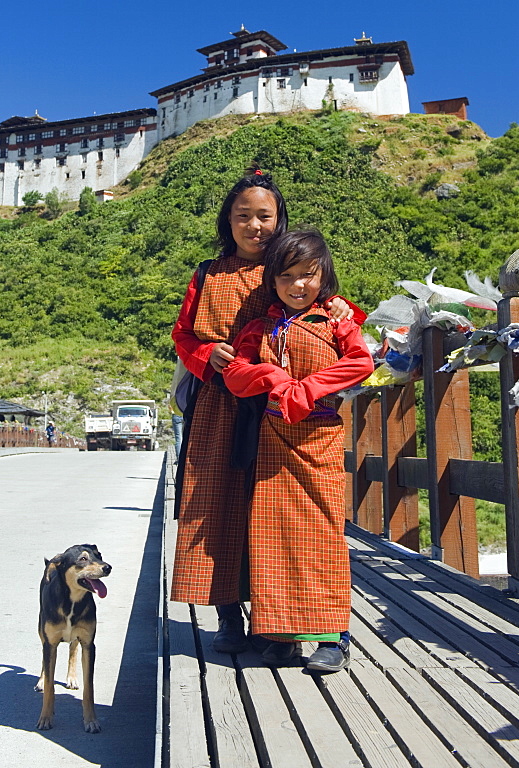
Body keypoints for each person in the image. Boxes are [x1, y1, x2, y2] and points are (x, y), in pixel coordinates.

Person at [170, 170, 365, 654]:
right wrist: (204, 357)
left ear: (279, 222)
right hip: (220, 404)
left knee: (281, 514)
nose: (253, 225)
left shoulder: (295, 269)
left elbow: (338, 327)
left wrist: (345, 311)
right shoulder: (206, 274)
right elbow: (183, 336)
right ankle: (229, 620)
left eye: (264, 216)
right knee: (219, 508)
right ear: (228, 220)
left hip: (284, 415)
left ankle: (278, 621)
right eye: (243, 216)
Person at [222, 231, 374, 671]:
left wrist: (307, 388)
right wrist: (270, 377)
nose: (297, 285)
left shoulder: (337, 320)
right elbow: (235, 374)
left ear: (323, 275)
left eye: (308, 275)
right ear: (273, 280)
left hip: (319, 438)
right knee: (272, 537)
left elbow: (361, 362)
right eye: (287, 276)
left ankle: (333, 638)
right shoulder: (260, 327)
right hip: (273, 441)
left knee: (323, 535)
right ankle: (282, 636)